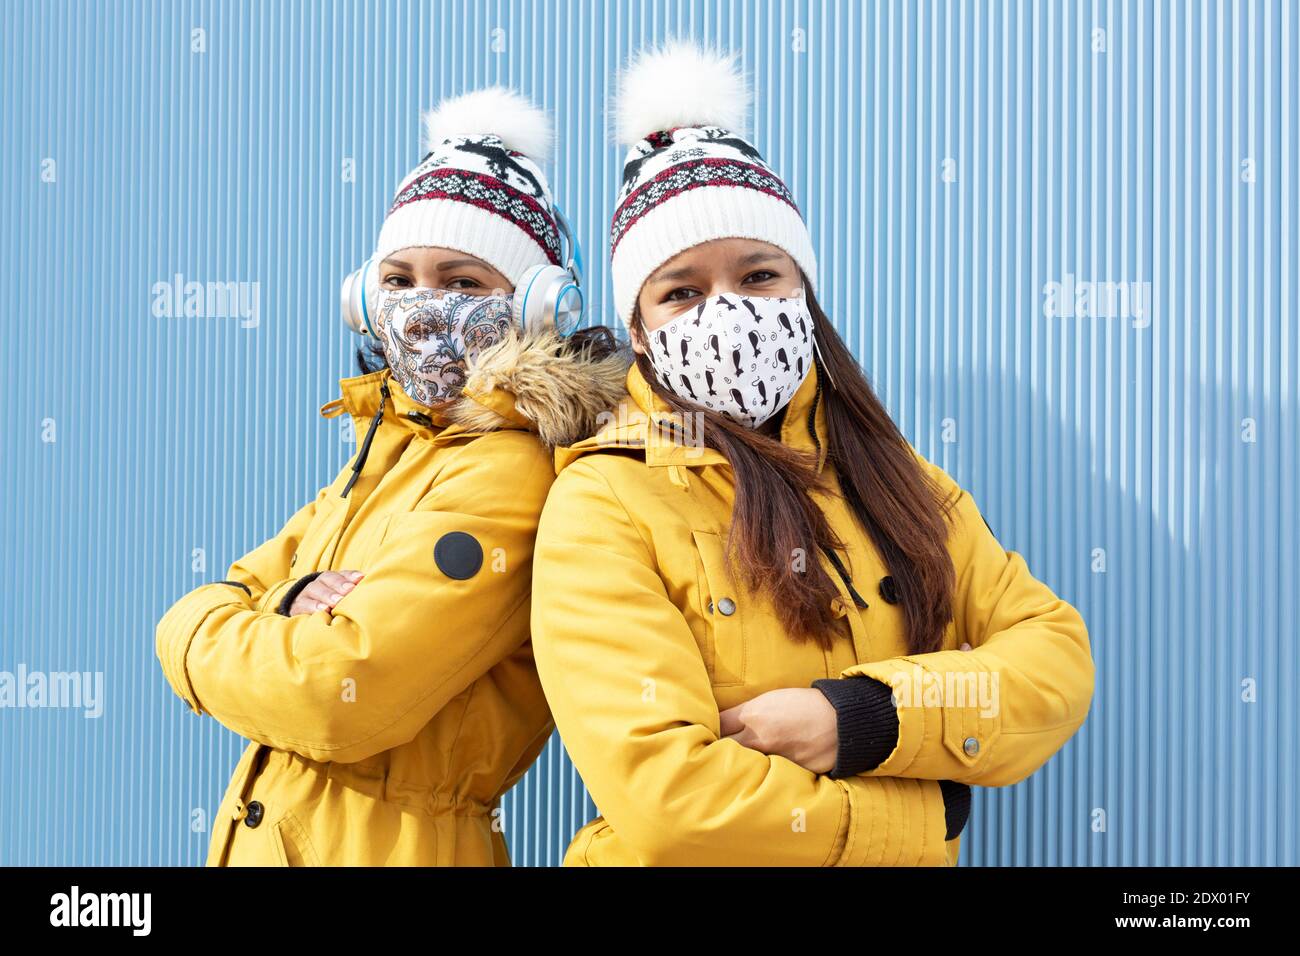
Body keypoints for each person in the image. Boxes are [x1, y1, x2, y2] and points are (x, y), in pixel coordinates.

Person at [529, 40, 1096, 866]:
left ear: (802, 290)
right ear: (640, 328)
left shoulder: (897, 482)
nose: (727, 310)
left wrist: (862, 718)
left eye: (759, 275)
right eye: (682, 289)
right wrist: (919, 816)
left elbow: (1052, 662)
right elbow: (669, 800)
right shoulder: (605, 502)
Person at [155, 86, 629, 866]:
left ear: (542, 305)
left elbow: (338, 697)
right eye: (399, 278)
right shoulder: (388, 447)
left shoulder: (511, 470)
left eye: (463, 281)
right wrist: (278, 604)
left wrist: (191, 637)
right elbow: (245, 586)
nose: (420, 306)